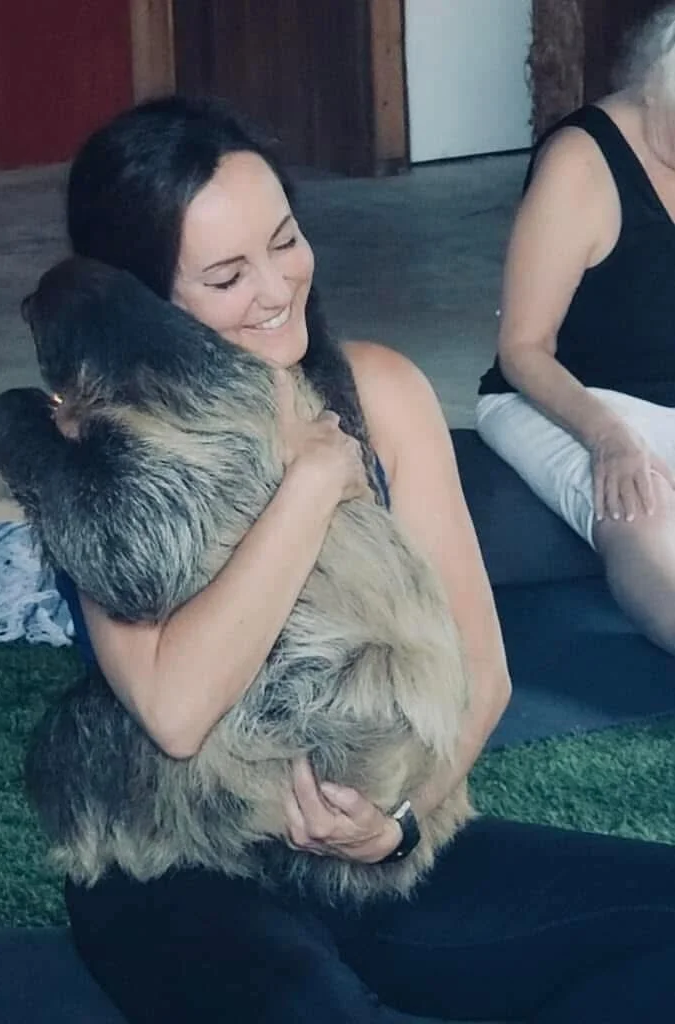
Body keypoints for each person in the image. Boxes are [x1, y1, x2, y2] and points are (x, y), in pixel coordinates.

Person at [36, 96, 675, 1023]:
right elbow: (175, 711)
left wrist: (396, 826)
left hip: (376, 855)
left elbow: (482, 674)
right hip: (181, 862)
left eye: (284, 241)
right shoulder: (103, 437)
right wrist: (311, 483)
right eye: (225, 276)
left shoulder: (381, 389)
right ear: (142, 301)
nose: (274, 288)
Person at [477, 4, 675, 656]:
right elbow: (522, 349)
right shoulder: (580, 165)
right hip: (566, 398)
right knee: (640, 509)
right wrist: (608, 437)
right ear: (656, 89)